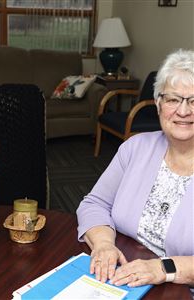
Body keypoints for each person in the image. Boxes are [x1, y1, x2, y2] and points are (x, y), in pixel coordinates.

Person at [76, 49, 194, 289]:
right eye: (173, 99)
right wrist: (103, 244)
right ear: (159, 104)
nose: (183, 111)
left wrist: (164, 268)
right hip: (123, 278)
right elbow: (95, 204)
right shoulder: (136, 147)